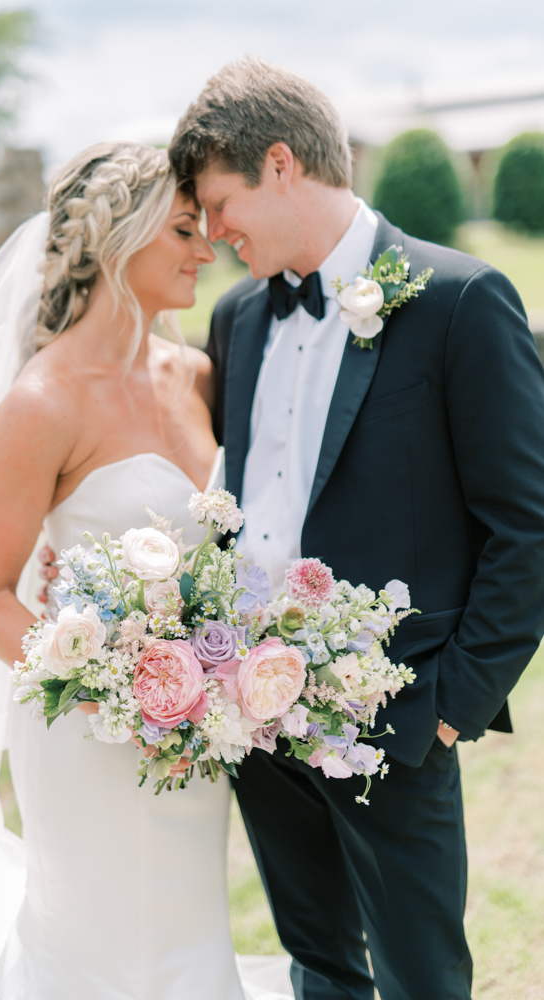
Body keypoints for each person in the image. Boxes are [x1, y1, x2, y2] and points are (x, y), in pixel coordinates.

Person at [167, 57, 544, 1000]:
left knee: (422, 978)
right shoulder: (236, 318)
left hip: (396, 720)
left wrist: (449, 704)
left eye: (219, 205)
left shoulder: (460, 300)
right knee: (319, 966)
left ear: (282, 164)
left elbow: (529, 525)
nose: (212, 236)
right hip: (252, 716)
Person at [0, 142, 257, 1000]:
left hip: (198, 731)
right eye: (186, 228)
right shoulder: (42, 402)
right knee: (100, 946)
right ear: (120, 239)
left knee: (186, 929)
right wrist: (110, 686)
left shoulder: (196, 373)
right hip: (87, 731)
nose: (207, 248)